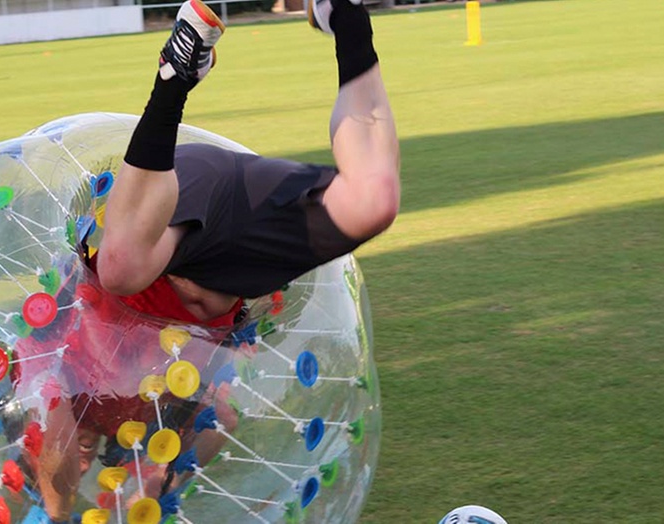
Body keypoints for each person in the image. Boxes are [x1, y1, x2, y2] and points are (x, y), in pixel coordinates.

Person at [25, 0, 400, 519]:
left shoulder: (49, 367)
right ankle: (344, 14)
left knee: (119, 272)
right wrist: (150, 483)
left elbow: (58, 459)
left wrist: (57, 508)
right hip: (240, 263)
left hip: (168, 215)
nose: (83, 459)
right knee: (373, 203)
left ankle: (175, 78)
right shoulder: (153, 420)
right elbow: (213, 423)